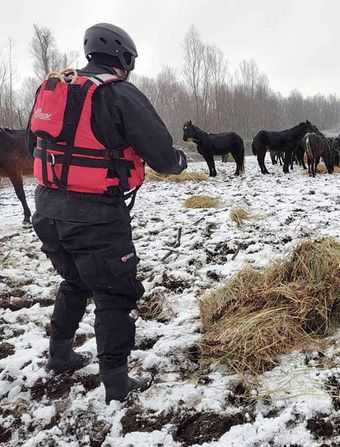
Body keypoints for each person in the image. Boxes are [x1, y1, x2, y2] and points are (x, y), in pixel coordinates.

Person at [26, 23, 188, 403]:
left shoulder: (56, 87)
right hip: (96, 215)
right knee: (114, 293)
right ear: (124, 59)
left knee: (76, 281)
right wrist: (178, 161)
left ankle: (60, 354)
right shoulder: (118, 93)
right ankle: (117, 384)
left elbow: (35, 140)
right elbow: (163, 157)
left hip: (48, 209)